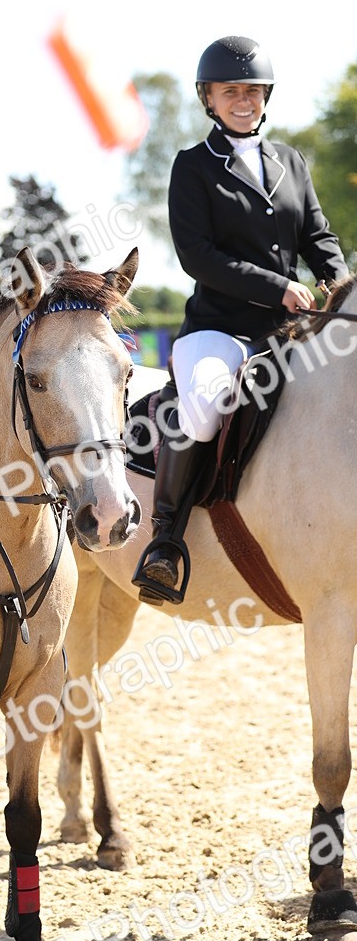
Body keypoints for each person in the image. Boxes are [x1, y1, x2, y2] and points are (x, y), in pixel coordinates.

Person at [133, 35, 348, 606]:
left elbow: (319, 237)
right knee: (204, 406)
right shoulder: (193, 167)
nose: (244, 101)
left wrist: (339, 283)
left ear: (266, 96)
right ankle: (166, 540)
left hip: (293, 333)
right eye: (232, 91)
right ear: (210, 98)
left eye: (252, 91)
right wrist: (280, 287)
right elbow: (198, 257)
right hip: (220, 330)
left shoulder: (291, 162)